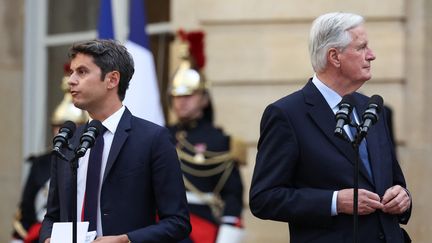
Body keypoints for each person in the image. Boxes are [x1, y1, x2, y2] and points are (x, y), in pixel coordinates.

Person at [249, 12, 412, 243]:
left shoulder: (373, 107)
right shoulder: (287, 114)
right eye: (362, 47)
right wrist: (335, 202)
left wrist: (403, 197)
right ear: (335, 57)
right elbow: (264, 198)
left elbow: (394, 181)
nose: (372, 55)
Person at [39, 39, 191, 243]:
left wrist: (126, 240)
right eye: (72, 72)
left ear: (112, 79)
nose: (71, 80)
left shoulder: (153, 139)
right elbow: (52, 216)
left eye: (82, 72)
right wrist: (48, 238)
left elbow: (177, 222)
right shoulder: (68, 141)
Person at [168, 30, 245, 243]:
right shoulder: (160, 134)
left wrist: (229, 233)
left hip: (199, 224)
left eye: (189, 95)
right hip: (160, 223)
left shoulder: (220, 141)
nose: (182, 102)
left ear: (204, 99)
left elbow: (232, 195)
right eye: (177, 96)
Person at [11, 64, 89, 243]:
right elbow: (28, 206)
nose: (60, 132)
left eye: (67, 127)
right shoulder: (42, 162)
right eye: (57, 127)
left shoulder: (91, 154)